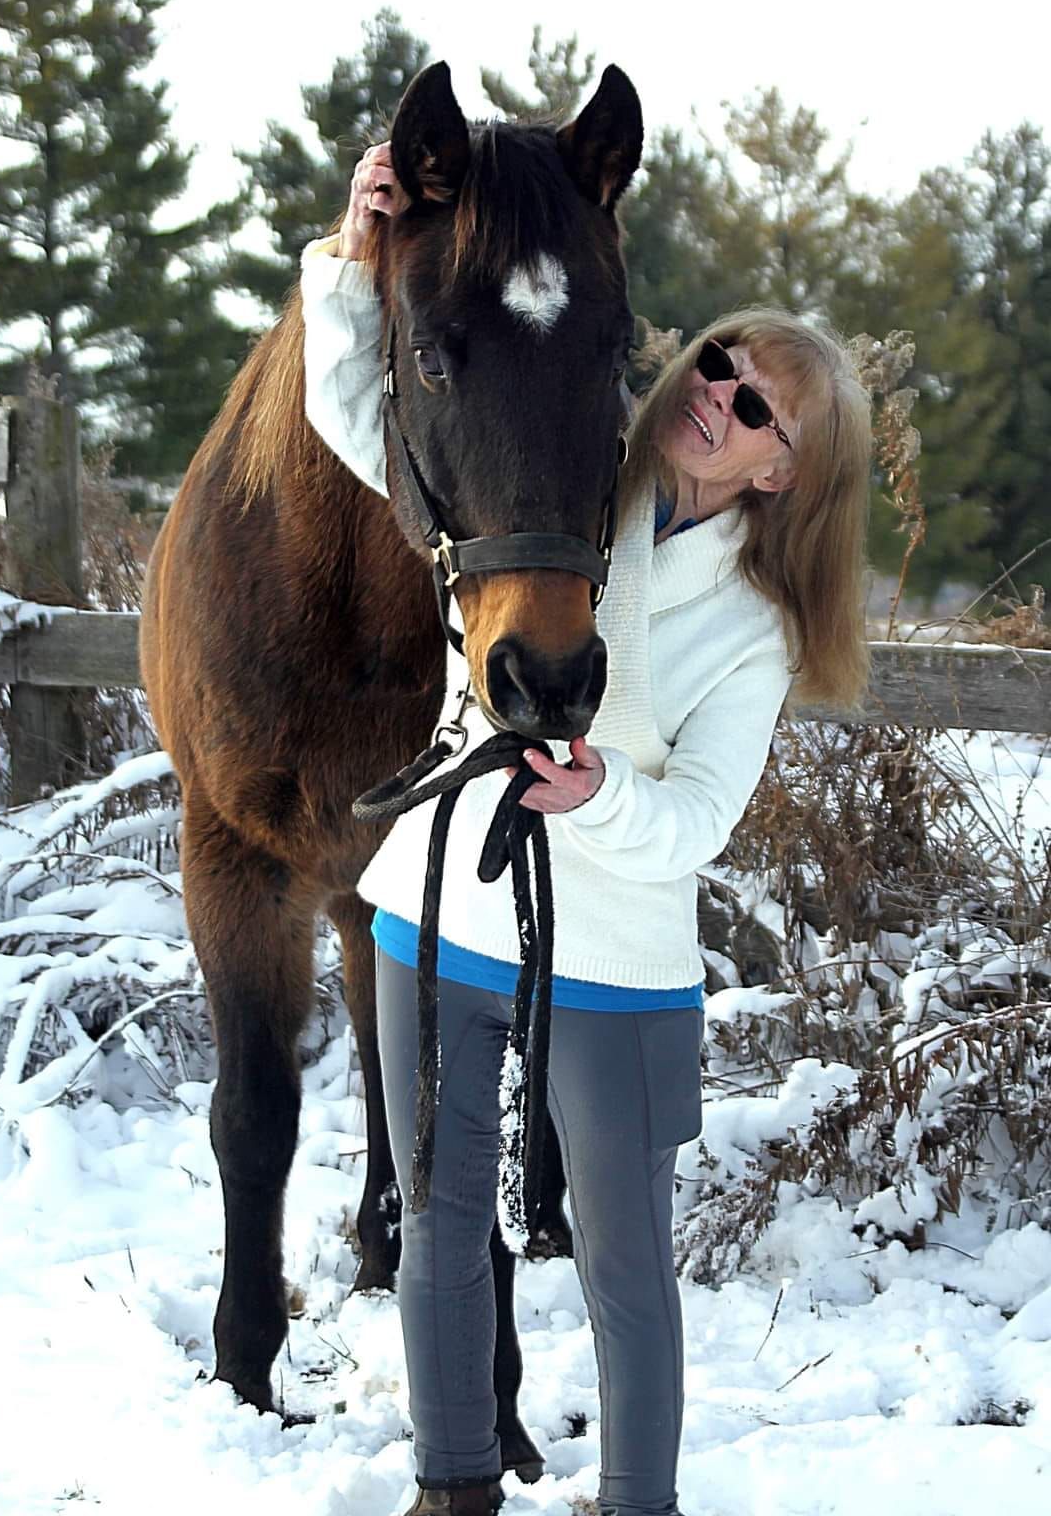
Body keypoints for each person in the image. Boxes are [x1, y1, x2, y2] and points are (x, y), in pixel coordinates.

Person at [299, 143, 871, 1516]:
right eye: (722, 365)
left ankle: (637, 1502)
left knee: (623, 1261)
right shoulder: (562, 478)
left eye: (757, 409)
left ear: (787, 472)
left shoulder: (756, 631)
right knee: (434, 1219)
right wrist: (352, 243)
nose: (719, 396)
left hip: (616, 950)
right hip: (444, 906)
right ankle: (452, 1488)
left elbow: (698, 824)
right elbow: (359, 407)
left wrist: (598, 795)